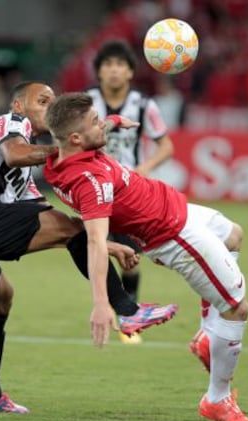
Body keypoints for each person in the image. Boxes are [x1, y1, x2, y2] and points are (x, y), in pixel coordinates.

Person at [0, 81, 178, 414]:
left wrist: (107, 245)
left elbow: (55, 221)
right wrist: (65, 148)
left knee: (1, 300)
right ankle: (128, 310)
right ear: (18, 105)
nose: (50, 106)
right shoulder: (10, 123)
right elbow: (15, 155)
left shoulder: (25, 182)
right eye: (43, 101)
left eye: (53, 101)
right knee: (71, 231)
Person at [43, 92, 248, 421]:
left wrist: (113, 122)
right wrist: (103, 303)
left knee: (234, 236)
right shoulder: (90, 181)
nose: (104, 124)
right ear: (75, 137)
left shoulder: (64, 155)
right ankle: (217, 399)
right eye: (96, 122)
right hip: (173, 235)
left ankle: (207, 335)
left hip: (178, 210)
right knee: (236, 308)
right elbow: (97, 242)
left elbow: (89, 133)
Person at [87, 40, 174, 343]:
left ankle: (127, 313)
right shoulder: (86, 102)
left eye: (120, 65)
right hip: (93, 186)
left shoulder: (144, 105)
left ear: (129, 73)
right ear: (99, 72)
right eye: (108, 65)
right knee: (97, 245)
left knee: (130, 256)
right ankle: (119, 312)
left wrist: (146, 167)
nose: (114, 70)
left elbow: (166, 145)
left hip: (127, 190)